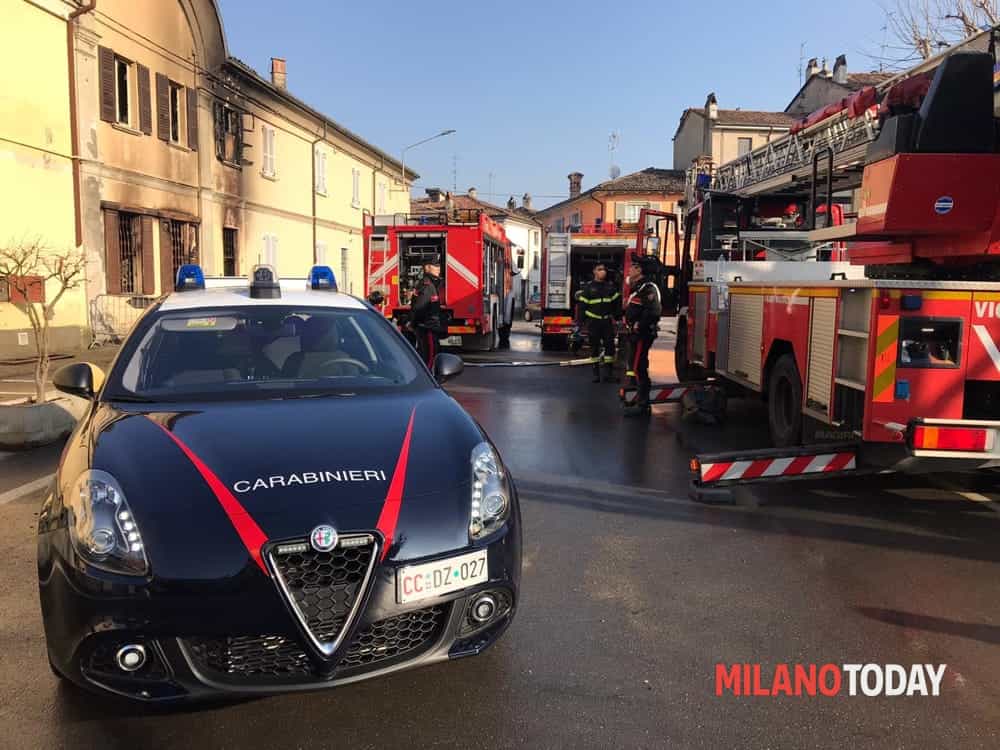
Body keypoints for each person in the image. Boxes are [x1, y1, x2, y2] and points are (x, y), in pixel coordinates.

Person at [623, 258, 662, 416]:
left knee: (639, 368)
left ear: (639, 270)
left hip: (642, 335)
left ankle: (643, 405)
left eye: (633, 267)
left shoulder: (649, 288)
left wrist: (640, 325)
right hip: (634, 334)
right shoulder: (638, 287)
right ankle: (639, 399)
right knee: (637, 366)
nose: (630, 270)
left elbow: (653, 311)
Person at [577, 264, 621, 382]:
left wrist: (618, 318)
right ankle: (596, 374)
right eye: (600, 270)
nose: (603, 272)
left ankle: (608, 374)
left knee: (610, 348)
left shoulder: (610, 287)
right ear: (594, 272)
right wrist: (580, 323)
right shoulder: (588, 288)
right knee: (594, 349)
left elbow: (617, 304)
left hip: (607, 322)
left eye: (604, 270)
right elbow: (582, 307)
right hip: (593, 323)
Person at [410, 254, 444, 368]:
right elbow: (420, 308)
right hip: (427, 328)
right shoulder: (426, 285)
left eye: (439, 265)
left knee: (430, 356)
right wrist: (414, 323)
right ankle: (429, 381)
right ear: (427, 267)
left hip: (429, 327)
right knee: (428, 359)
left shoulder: (431, 284)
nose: (438, 268)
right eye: (435, 266)